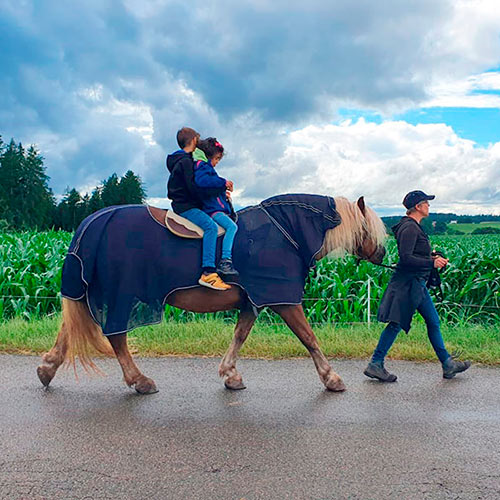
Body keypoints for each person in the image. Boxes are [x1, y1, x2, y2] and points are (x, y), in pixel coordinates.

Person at [364, 190, 471, 382]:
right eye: (427, 203)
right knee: (396, 324)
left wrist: (432, 257)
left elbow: (414, 255)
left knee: (433, 322)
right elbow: (406, 258)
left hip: (416, 284)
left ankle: (448, 364)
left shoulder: (413, 226)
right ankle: (375, 363)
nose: (429, 206)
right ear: (418, 207)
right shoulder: (410, 228)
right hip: (408, 285)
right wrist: (431, 263)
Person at [166, 127, 230, 291]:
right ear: (194, 140)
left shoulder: (180, 160)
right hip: (186, 206)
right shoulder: (187, 162)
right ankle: (208, 272)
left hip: (181, 204)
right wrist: (220, 186)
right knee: (210, 227)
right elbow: (196, 188)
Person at [193, 138, 239, 276]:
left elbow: (211, 188)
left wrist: (222, 192)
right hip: (213, 211)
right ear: (209, 156)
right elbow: (203, 182)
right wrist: (223, 182)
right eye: (217, 159)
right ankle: (226, 260)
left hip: (214, 209)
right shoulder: (203, 167)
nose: (217, 162)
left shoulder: (207, 169)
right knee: (232, 227)